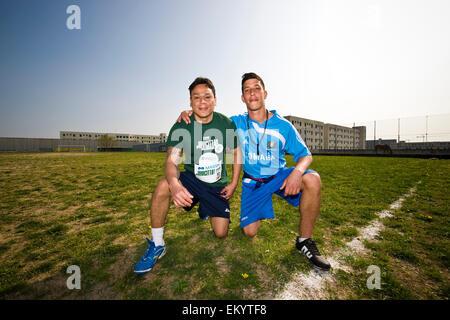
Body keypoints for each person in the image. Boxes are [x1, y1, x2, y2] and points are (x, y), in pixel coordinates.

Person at [177, 72, 330, 270]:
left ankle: (304, 241)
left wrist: (297, 172)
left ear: (265, 93)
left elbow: (306, 155)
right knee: (249, 232)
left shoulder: (284, 126)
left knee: (313, 179)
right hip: (253, 183)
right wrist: (187, 113)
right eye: (247, 90)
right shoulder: (235, 122)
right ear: (243, 98)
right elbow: (207, 117)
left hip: (278, 176)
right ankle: (222, 210)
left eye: (256, 88)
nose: (252, 93)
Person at [134, 77, 242, 274]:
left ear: (215, 99)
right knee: (163, 185)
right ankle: (157, 244)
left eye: (207, 97)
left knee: (221, 234)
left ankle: (205, 207)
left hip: (217, 185)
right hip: (192, 179)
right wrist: (175, 184)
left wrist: (234, 182)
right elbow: (171, 161)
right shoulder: (182, 126)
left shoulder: (226, 123)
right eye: (197, 97)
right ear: (190, 102)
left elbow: (236, 153)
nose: (202, 102)